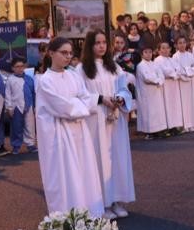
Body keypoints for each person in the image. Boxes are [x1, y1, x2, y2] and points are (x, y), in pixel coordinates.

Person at [36, 37, 105, 218]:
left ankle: (89, 214)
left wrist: (79, 104)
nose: (68, 57)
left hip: (79, 132)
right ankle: (67, 218)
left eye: (70, 53)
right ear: (51, 53)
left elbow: (85, 97)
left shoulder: (73, 75)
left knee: (84, 172)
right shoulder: (45, 81)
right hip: (60, 136)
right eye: (63, 53)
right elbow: (63, 108)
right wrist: (79, 105)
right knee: (65, 177)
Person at [77, 29, 136, 219]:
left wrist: (119, 98)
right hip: (96, 121)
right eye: (97, 43)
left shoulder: (114, 67)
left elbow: (124, 88)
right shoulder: (82, 70)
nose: (101, 46)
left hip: (115, 120)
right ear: (89, 46)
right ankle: (103, 203)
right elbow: (81, 95)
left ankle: (118, 200)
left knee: (117, 159)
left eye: (104, 42)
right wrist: (102, 99)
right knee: (100, 160)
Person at [134, 45, 168, 138]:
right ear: (142, 54)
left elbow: (161, 75)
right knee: (148, 112)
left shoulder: (154, 64)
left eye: (150, 52)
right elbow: (147, 78)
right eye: (146, 52)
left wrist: (159, 80)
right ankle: (148, 132)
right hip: (146, 93)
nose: (148, 54)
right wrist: (157, 80)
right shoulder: (140, 66)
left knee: (157, 111)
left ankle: (157, 130)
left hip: (156, 91)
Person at [5, 57, 37, 154]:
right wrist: (9, 107)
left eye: (21, 66)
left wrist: (35, 106)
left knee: (30, 126)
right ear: (13, 68)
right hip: (16, 106)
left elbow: (33, 93)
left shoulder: (29, 79)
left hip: (29, 106)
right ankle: (16, 145)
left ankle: (30, 144)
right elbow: (8, 94)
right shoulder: (10, 80)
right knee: (16, 127)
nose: (20, 69)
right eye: (17, 67)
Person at [172, 36, 194, 131]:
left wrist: (190, 73)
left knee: (191, 102)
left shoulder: (190, 55)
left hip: (191, 82)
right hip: (181, 83)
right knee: (183, 104)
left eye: (184, 42)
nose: (182, 45)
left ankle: (192, 123)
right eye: (180, 43)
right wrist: (186, 73)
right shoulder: (175, 56)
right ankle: (185, 125)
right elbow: (177, 69)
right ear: (176, 45)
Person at [156, 42, 184, 135]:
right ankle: (167, 126)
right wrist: (174, 73)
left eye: (167, 48)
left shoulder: (172, 60)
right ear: (159, 50)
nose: (165, 50)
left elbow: (179, 69)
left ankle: (174, 125)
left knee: (174, 105)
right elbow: (164, 71)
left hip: (174, 85)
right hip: (165, 86)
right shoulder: (157, 60)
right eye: (163, 48)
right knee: (166, 105)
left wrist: (174, 73)